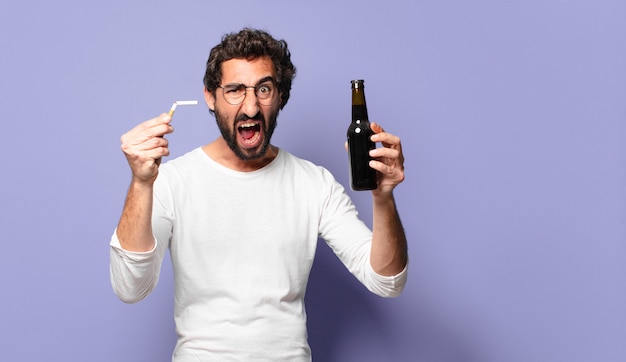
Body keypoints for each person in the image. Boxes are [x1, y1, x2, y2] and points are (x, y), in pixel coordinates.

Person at [110, 27, 408, 361]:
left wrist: (383, 199)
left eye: (263, 89)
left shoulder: (314, 183)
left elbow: (387, 281)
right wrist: (140, 183)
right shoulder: (173, 180)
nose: (251, 107)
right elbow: (130, 287)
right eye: (235, 90)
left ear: (280, 95)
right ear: (211, 96)